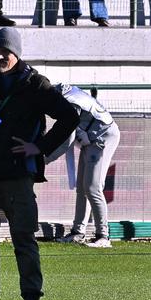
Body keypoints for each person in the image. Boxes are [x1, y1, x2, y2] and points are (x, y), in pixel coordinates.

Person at [0, 27, 79, 300]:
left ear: (17, 52)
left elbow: (69, 116)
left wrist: (39, 147)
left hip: (17, 175)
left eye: (6, 51)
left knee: (24, 239)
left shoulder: (36, 84)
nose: (1, 56)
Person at [49, 84, 120, 248]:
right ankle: (78, 232)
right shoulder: (65, 93)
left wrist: (45, 159)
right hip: (92, 137)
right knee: (82, 188)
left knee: (93, 187)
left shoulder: (68, 102)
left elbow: (66, 140)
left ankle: (103, 236)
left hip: (102, 137)